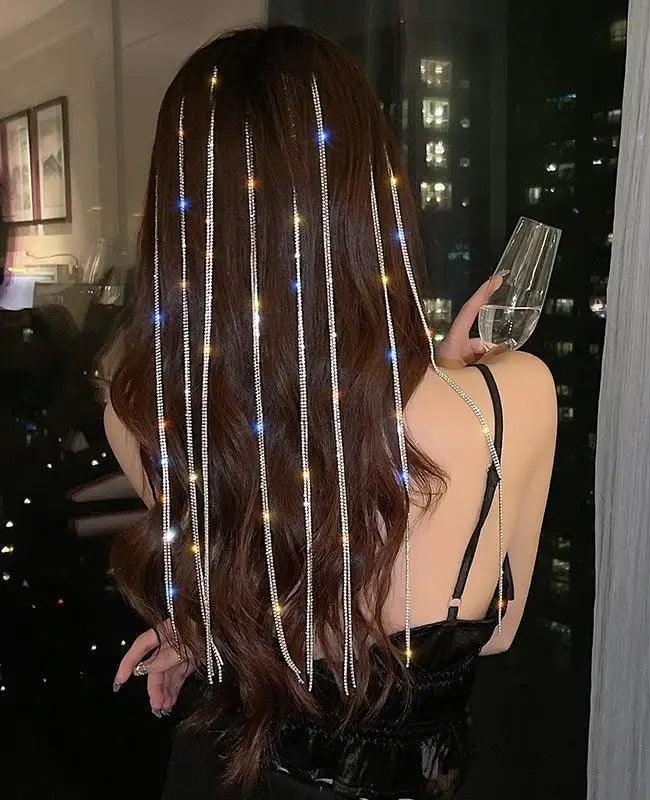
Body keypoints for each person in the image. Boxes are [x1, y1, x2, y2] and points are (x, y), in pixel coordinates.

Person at [103, 25, 556, 800]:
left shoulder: (142, 410)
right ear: (369, 193)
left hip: (226, 773)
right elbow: (496, 631)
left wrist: (203, 638)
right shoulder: (513, 399)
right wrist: (455, 382)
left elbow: (260, 605)